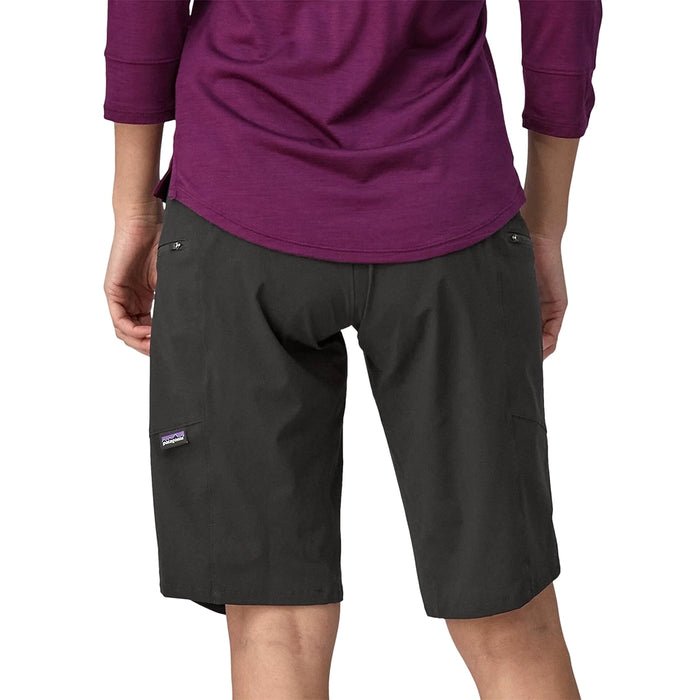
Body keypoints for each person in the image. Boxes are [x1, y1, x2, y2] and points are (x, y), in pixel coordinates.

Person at [102, 1, 602, 697]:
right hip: (447, 207)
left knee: (273, 621)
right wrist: (546, 223)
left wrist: (134, 208)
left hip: (239, 204)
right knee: (510, 617)